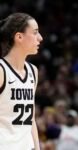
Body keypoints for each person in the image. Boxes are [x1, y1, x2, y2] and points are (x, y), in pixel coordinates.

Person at [0, 13, 43, 150]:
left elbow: (31, 119)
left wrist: (37, 148)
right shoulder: (1, 70)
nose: (40, 38)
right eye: (35, 32)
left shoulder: (33, 71)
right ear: (19, 37)